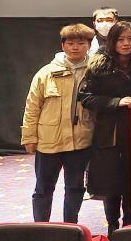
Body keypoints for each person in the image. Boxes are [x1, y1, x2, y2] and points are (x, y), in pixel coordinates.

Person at [79, 21, 131, 233]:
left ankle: (129, 227)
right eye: (120, 39)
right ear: (112, 41)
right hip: (109, 133)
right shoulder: (99, 66)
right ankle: (113, 227)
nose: (126, 43)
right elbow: (86, 97)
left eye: (130, 39)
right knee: (111, 184)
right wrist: (116, 102)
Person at [21, 24, 95, 224]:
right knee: (43, 188)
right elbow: (32, 107)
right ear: (63, 45)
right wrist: (29, 137)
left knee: (75, 188)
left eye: (81, 43)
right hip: (49, 142)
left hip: (80, 141)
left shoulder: (95, 72)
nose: (75, 47)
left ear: (89, 45)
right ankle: (41, 228)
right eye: (70, 43)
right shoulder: (46, 73)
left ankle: (70, 227)